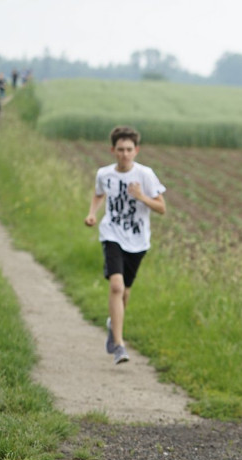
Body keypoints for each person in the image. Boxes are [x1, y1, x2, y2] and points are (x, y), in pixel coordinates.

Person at [84, 126, 166, 365]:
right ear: (112, 150)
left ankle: (113, 324)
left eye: (129, 150)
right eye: (120, 150)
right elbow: (99, 193)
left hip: (138, 240)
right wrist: (92, 213)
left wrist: (141, 197)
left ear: (136, 150)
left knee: (125, 292)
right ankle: (119, 345)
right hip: (112, 234)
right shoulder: (104, 174)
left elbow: (162, 208)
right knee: (117, 287)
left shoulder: (145, 175)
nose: (125, 154)